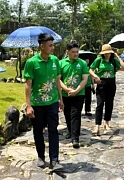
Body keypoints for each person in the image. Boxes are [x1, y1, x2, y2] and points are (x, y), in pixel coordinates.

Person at [24, 33, 63, 169]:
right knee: (38, 131)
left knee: (53, 130)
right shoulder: (31, 62)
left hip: (52, 102)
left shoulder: (55, 61)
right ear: (42, 46)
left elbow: (57, 81)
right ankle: (41, 156)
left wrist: (60, 99)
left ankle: (54, 160)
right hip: (37, 104)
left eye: (53, 45)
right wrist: (28, 106)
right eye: (50, 45)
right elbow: (28, 85)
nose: (52, 48)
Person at [89, 44, 124, 135]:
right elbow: (90, 69)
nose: (107, 55)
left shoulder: (113, 61)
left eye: (109, 53)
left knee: (109, 104)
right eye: (105, 53)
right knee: (100, 104)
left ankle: (107, 122)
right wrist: (95, 76)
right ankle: (97, 124)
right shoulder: (99, 60)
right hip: (101, 83)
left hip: (111, 83)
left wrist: (117, 56)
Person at [59, 41, 89, 148]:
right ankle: (71, 131)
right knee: (67, 114)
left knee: (75, 114)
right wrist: (66, 89)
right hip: (65, 94)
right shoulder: (61, 63)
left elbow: (85, 79)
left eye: (77, 52)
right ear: (67, 52)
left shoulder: (82, 63)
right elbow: (58, 79)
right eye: (73, 52)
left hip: (79, 94)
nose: (75, 54)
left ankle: (75, 138)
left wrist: (76, 90)